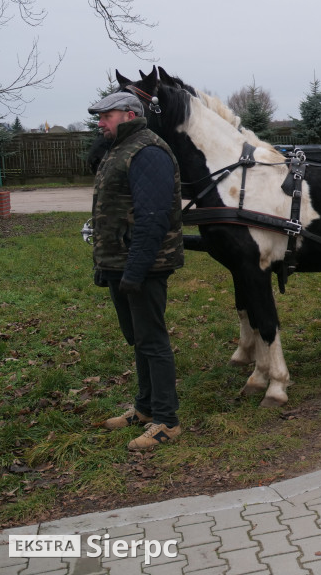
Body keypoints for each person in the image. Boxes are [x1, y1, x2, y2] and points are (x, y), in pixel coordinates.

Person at [89, 91, 185, 451]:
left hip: (144, 266)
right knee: (138, 339)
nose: (100, 123)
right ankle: (145, 409)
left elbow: (152, 217)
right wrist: (105, 266)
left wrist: (135, 269)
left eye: (105, 116)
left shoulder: (148, 151)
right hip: (120, 264)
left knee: (153, 342)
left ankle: (167, 421)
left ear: (128, 115)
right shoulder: (119, 148)